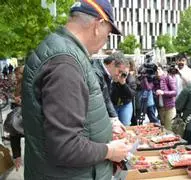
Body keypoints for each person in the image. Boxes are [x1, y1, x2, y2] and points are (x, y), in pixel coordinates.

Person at [21, 1, 129, 179]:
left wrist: (101, 126)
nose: (105, 41)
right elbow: (65, 147)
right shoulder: (65, 63)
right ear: (98, 25)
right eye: (108, 34)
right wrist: (109, 151)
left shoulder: (64, 52)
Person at [110, 53, 137, 126]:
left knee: (125, 125)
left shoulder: (131, 79)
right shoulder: (113, 76)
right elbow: (109, 94)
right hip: (113, 104)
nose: (122, 74)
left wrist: (123, 84)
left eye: (125, 72)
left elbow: (131, 95)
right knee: (113, 126)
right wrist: (115, 82)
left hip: (125, 104)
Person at [9, 66, 24, 171]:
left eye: (17, 74)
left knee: (15, 134)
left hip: (25, 116)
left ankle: (18, 158)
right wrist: (14, 99)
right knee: (13, 134)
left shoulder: (27, 84)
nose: (16, 76)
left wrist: (20, 101)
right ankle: (17, 158)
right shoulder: (18, 84)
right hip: (18, 115)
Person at [155, 64, 177, 130]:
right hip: (160, 108)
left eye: (158, 69)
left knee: (169, 129)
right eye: (156, 70)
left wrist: (163, 92)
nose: (157, 71)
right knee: (163, 129)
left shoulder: (168, 78)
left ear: (163, 70)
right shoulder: (155, 80)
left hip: (169, 108)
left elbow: (175, 92)